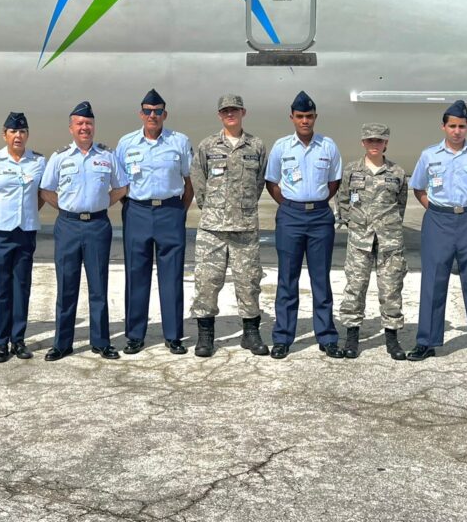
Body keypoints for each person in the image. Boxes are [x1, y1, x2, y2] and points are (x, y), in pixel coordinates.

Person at [407, 100, 467, 368]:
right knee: (433, 282)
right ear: (444, 127)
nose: (457, 131)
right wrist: (439, 210)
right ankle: (426, 342)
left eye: (462, 126)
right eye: (452, 126)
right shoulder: (429, 155)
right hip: (438, 220)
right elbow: (419, 189)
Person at [40, 101, 128, 361]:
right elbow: (46, 190)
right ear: (71, 128)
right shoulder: (59, 157)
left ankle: (101, 342)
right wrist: (68, 209)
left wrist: (98, 205)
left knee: (99, 286)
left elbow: (121, 188)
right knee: (67, 286)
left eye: (88, 123)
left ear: (94, 127)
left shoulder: (107, 155)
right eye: (79, 123)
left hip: (98, 226)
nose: (84, 128)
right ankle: (62, 343)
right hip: (67, 226)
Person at [265, 91, 344, 359]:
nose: (305, 121)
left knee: (321, 279)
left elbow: (334, 183)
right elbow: (272, 182)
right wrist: (291, 205)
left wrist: (314, 202)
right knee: (287, 279)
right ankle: (283, 337)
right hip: (290, 217)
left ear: (315, 117)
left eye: (309, 116)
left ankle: (327, 336)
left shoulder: (328, 146)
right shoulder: (281, 147)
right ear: (292, 118)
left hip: (320, 217)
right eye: (300, 116)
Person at [189, 94, 269, 357]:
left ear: (243, 112)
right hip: (212, 228)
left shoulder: (256, 146)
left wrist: (241, 208)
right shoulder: (208, 145)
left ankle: (251, 334)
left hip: (244, 228)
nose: (230, 114)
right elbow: (199, 181)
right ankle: (205, 336)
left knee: (248, 282)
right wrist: (213, 208)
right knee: (207, 282)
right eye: (225, 111)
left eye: (234, 110)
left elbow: (258, 184)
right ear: (219, 115)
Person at [115, 89, 193, 355]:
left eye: (157, 111)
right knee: (136, 274)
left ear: (164, 114)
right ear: (141, 113)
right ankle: (135, 335)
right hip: (137, 211)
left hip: (170, 211)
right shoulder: (126, 143)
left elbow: (189, 182)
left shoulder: (179, 142)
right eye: (148, 111)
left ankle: (173, 335)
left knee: (172, 276)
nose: (152, 116)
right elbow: (119, 183)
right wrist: (132, 207)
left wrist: (178, 211)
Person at [336, 123, 408, 360]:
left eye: (379, 140)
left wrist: (387, 226)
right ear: (362, 143)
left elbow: (400, 205)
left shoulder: (396, 172)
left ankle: (392, 339)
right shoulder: (351, 171)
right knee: (355, 289)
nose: (374, 144)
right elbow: (343, 200)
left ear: (386, 143)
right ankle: (352, 338)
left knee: (390, 289)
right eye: (370, 141)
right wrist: (355, 225)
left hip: (389, 241)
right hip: (359, 240)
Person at [0, 112, 46, 363]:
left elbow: (41, 194)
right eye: (13, 132)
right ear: (4, 134)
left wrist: (26, 215)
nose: (18, 136)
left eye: (22, 132)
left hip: (26, 232)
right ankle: (0, 343)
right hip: (0, 233)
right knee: (0, 289)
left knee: (21, 287)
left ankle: (18, 340)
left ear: (27, 135)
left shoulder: (38, 161)